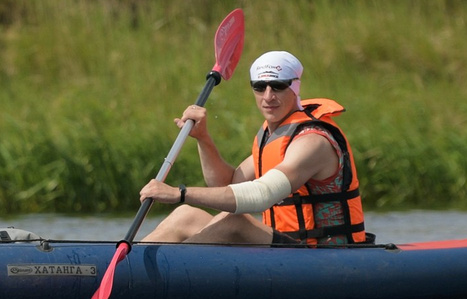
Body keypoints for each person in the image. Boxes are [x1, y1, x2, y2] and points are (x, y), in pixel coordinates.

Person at [137, 50, 369, 246]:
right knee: (185, 216)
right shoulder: (273, 136)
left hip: (325, 256)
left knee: (234, 221)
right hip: (285, 249)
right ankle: (127, 263)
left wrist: (180, 193)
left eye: (277, 86)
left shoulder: (313, 142)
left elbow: (262, 195)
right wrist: (203, 139)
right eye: (260, 87)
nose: (268, 96)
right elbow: (227, 186)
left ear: (294, 87)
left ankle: (158, 274)